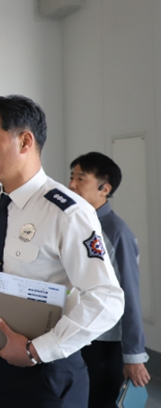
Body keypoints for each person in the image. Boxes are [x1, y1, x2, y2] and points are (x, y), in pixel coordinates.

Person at [0, 95, 124, 408]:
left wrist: (36, 351)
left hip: (46, 371)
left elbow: (106, 299)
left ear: (25, 141)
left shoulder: (67, 212)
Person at [69, 151, 150, 406]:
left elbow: (129, 295)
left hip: (103, 343)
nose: (71, 185)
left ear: (104, 189)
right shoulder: (74, 224)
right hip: (73, 334)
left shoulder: (117, 234)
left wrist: (134, 355)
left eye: (80, 179)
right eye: (71, 177)